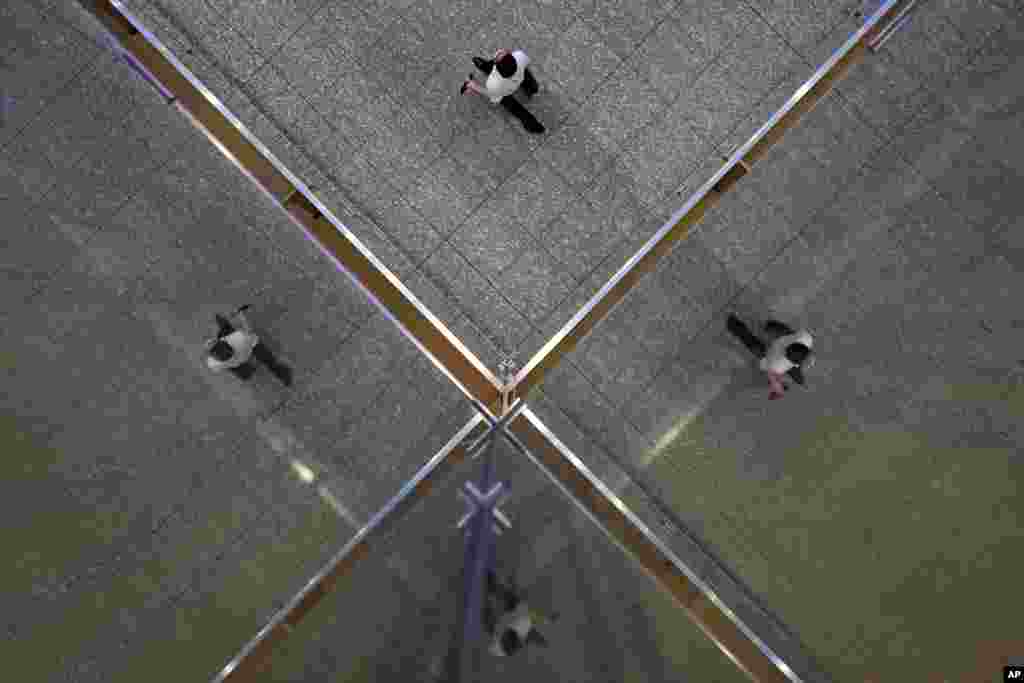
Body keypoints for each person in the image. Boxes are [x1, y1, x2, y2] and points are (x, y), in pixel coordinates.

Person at [726, 314, 814, 400]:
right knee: (754, 345)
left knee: (778, 329)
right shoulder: (778, 365)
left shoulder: (805, 338)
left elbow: (794, 369)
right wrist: (779, 388)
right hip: (770, 354)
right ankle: (734, 325)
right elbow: (772, 372)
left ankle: (738, 324)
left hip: (782, 338)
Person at [460, 48, 545, 134]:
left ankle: (484, 66)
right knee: (528, 79)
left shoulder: (493, 83)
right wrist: (506, 53)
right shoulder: (520, 56)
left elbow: (492, 94)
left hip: (504, 90)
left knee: (514, 107)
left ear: (496, 67)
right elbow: (521, 62)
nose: (499, 51)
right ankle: (534, 124)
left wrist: (474, 86)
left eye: (498, 55)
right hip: (519, 76)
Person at [205, 305, 293, 386]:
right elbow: (249, 330)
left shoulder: (214, 364)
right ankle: (283, 376)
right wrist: (240, 314)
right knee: (270, 362)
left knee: (236, 369)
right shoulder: (239, 338)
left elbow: (218, 366)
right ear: (223, 341)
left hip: (239, 361)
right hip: (249, 347)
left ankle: (246, 374)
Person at [482, 571, 555, 657]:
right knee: (512, 599)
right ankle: (494, 587)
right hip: (516, 616)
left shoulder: (497, 645)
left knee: (489, 621)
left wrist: (486, 605)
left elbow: (531, 635)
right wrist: (547, 619)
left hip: (509, 625)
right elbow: (533, 621)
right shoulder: (522, 623)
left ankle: (492, 593)